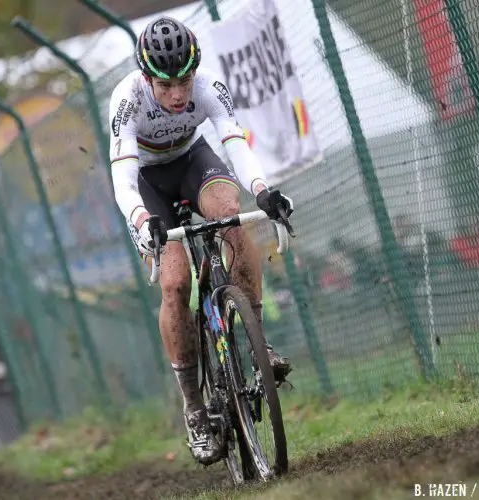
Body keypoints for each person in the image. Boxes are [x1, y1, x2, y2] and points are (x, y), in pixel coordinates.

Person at [107, 16, 294, 465]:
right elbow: (123, 177)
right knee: (173, 283)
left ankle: (256, 342)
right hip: (148, 183)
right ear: (147, 78)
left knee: (231, 217)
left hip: (193, 159)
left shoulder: (209, 86)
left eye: (184, 81)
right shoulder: (127, 100)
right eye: (166, 84)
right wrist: (141, 218)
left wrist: (264, 191)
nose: (178, 94)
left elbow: (235, 140)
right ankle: (193, 405)